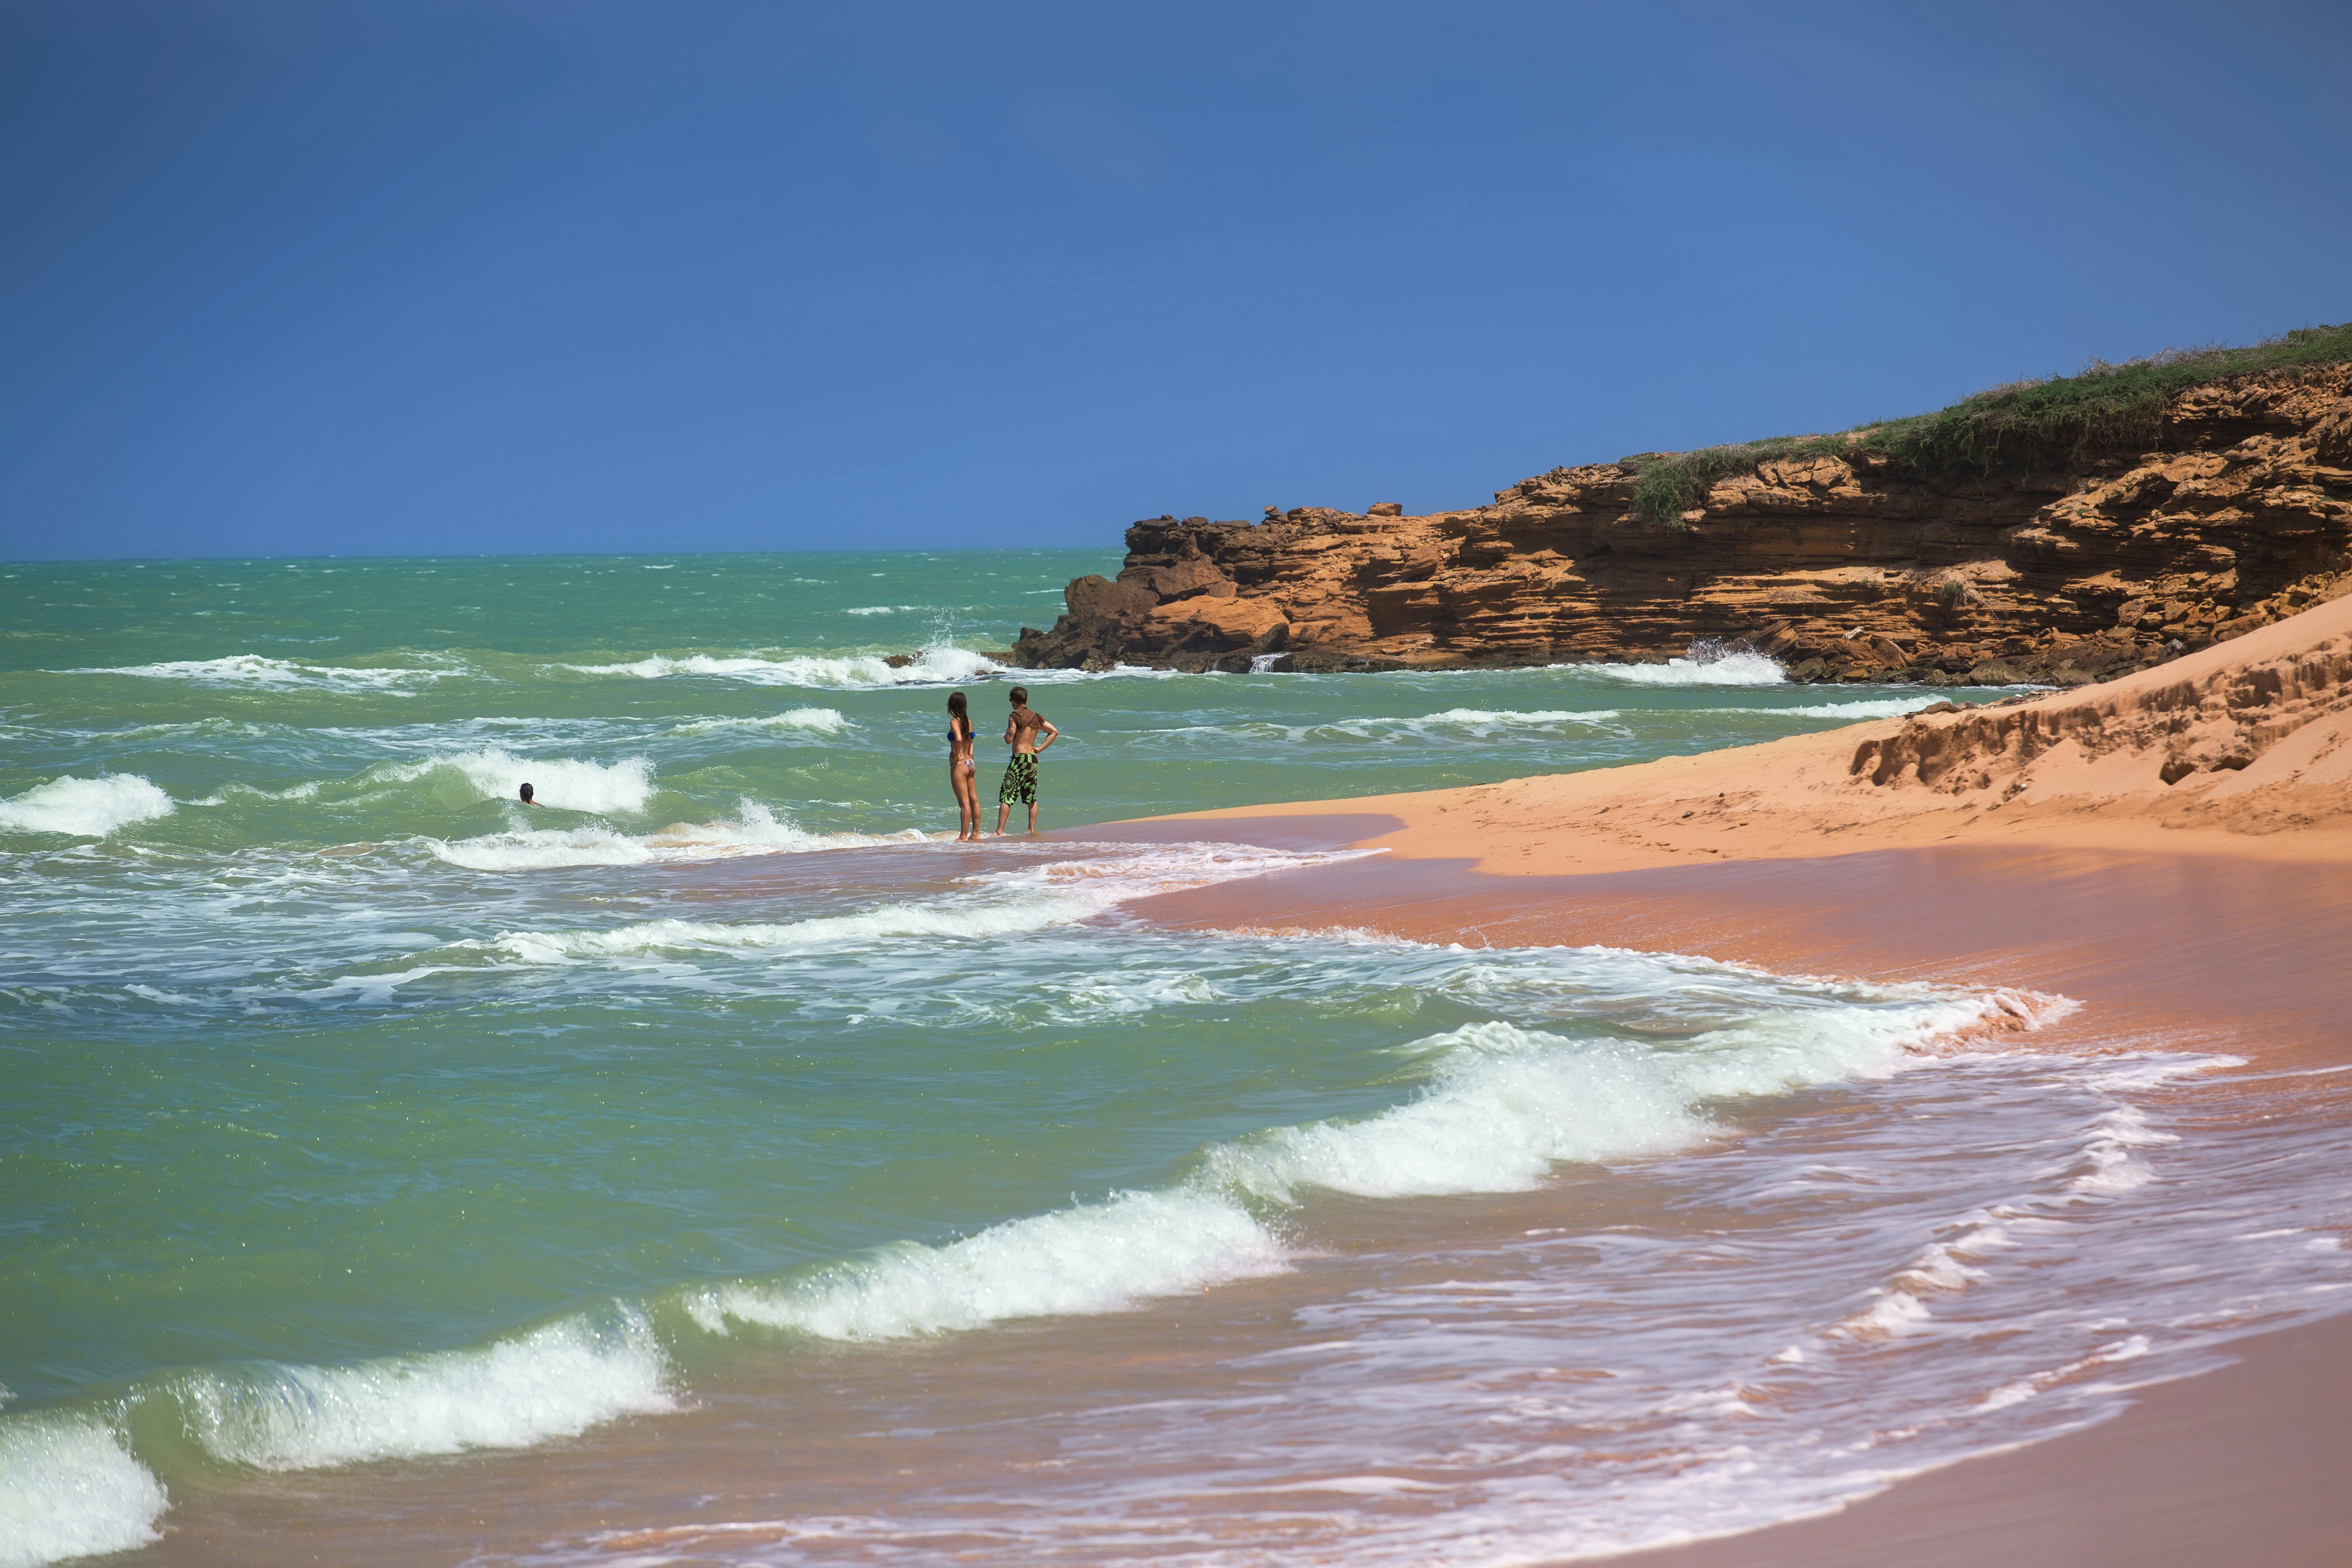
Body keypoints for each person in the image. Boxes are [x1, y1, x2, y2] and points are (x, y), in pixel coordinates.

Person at [994, 685, 1058, 836]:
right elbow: (1054, 732)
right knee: (1031, 796)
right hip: (1032, 759)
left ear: (1014, 701)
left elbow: (1010, 738)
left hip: (1019, 760)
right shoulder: (1036, 717)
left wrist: (1005, 736)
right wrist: (1040, 748)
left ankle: (999, 832)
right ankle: (1031, 830)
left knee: (1007, 794)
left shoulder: (1015, 716)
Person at [946, 691, 982, 841]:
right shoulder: (967, 720)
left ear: (952, 706)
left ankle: (963, 836)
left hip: (960, 764)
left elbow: (959, 738)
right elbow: (971, 738)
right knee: (974, 800)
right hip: (970, 763)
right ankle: (976, 833)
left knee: (964, 803)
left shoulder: (954, 722)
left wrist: (956, 756)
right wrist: (970, 754)